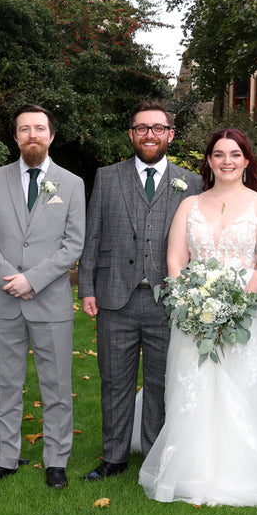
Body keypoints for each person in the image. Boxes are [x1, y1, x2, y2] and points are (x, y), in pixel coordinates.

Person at [139, 128, 257, 506]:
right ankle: (193, 470)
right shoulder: (189, 205)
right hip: (195, 313)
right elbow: (175, 260)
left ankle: (247, 472)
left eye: (235, 154)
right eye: (218, 154)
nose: (227, 161)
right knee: (195, 388)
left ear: (247, 160)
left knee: (243, 389)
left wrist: (235, 308)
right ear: (208, 161)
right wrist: (190, 301)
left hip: (247, 314)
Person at [79, 100, 203, 480]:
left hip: (168, 302)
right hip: (116, 296)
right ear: (131, 134)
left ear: (170, 135)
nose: (150, 134)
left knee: (161, 382)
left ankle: (155, 454)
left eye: (158, 128)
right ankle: (113, 457)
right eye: (142, 128)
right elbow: (93, 233)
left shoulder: (192, 182)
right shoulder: (107, 177)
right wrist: (86, 286)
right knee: (114, 379)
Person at [0, 104, 86, 489]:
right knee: (4, 384)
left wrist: (32, 280)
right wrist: (10, 278)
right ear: (15, 137)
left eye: (39, 128)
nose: (32, 135)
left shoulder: (71, 183)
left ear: (51, 135)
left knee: (56, 385)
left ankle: (56, 460)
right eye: (24, 129)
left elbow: (73, 244)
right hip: (2, 300)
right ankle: (4, 457)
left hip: (49, 301)